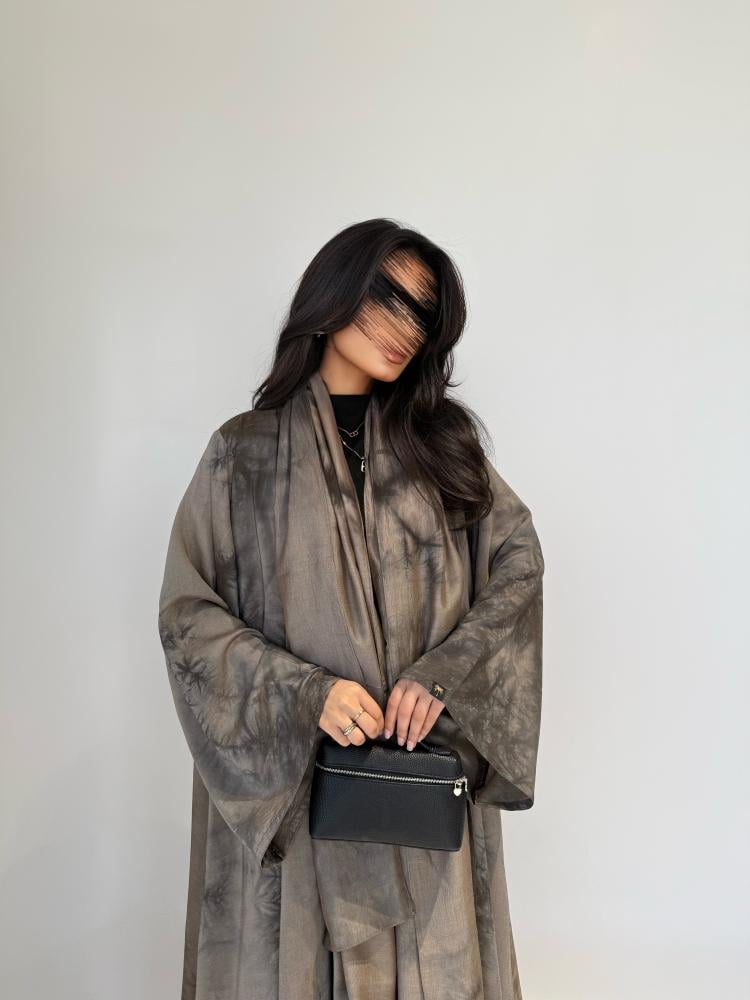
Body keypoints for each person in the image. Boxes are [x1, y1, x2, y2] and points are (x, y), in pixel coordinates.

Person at [157, 217, 545, 1000]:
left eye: (422, 313)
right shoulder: (244, 455)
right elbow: (188, 617)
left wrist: (441, 675)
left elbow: (518, 568)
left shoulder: (445, 451)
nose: (404, 327)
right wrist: (308, 694)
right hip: (300, 803)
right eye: (387, 297)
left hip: (416, 800)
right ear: (333, 291)